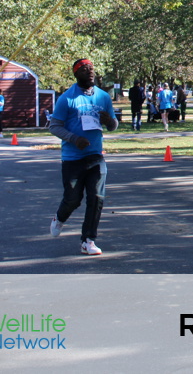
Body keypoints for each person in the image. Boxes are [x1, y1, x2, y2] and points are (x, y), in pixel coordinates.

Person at [48, 58, 119, 256]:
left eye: (92, 69)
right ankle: (59, 218)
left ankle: (88, 240)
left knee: (96, 198)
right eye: (85, 69)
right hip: (73, 158)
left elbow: (113, 125)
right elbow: (54, 126)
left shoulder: (103, 97)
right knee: (73, 199)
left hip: (95, 156)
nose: (90, 72)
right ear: (76, 73)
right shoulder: (67, 98)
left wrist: (110, 121)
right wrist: (74, 139)